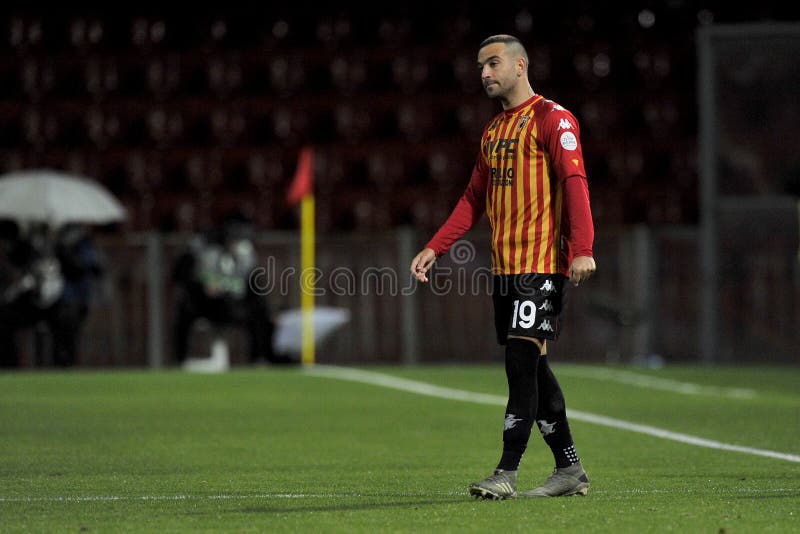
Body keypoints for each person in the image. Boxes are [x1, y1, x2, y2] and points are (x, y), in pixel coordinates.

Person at [409, 34, 597, 499]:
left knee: (519, 362)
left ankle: (506, 472)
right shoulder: (494, 132)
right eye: (480, 67)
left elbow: (575, 182)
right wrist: (437, 246)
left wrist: (583, 247)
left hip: (541, 266)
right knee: (534, 368)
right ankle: (569, 470)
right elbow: (474, 198)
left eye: (493, 64)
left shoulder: (553, 119)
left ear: (520, 65)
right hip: (506, 269)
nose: (484, 74)